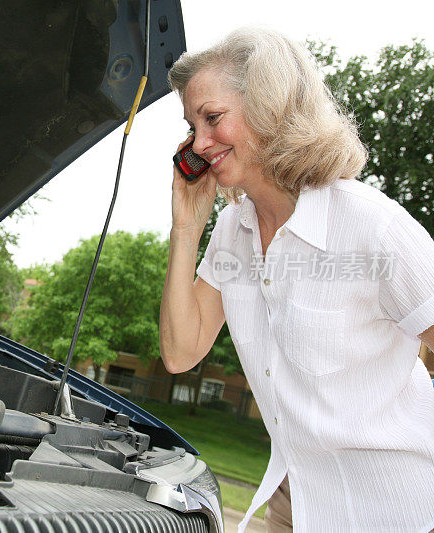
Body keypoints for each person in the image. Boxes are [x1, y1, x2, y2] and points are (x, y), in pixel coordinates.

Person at [159, 27, 434, 532]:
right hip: (295, 502)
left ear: (268, 105)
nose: (199, 143)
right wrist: (186, 225)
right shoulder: (231, 232)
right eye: (192, 125)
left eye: (213, 118)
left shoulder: (372, 225)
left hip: (398, 508)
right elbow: (180, 351)